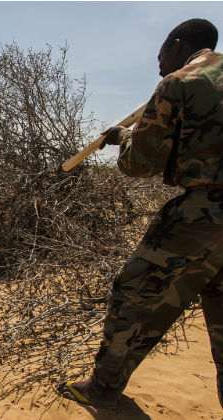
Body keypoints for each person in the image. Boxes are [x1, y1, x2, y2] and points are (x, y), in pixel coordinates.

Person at [59, 18, 222, 408]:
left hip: (204, 215)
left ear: (179, 45)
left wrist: (123, 138)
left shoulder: (179, 83)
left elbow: (140, 164)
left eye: (162, 53)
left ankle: (102, 388)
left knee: (133, 296)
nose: (160, 63)